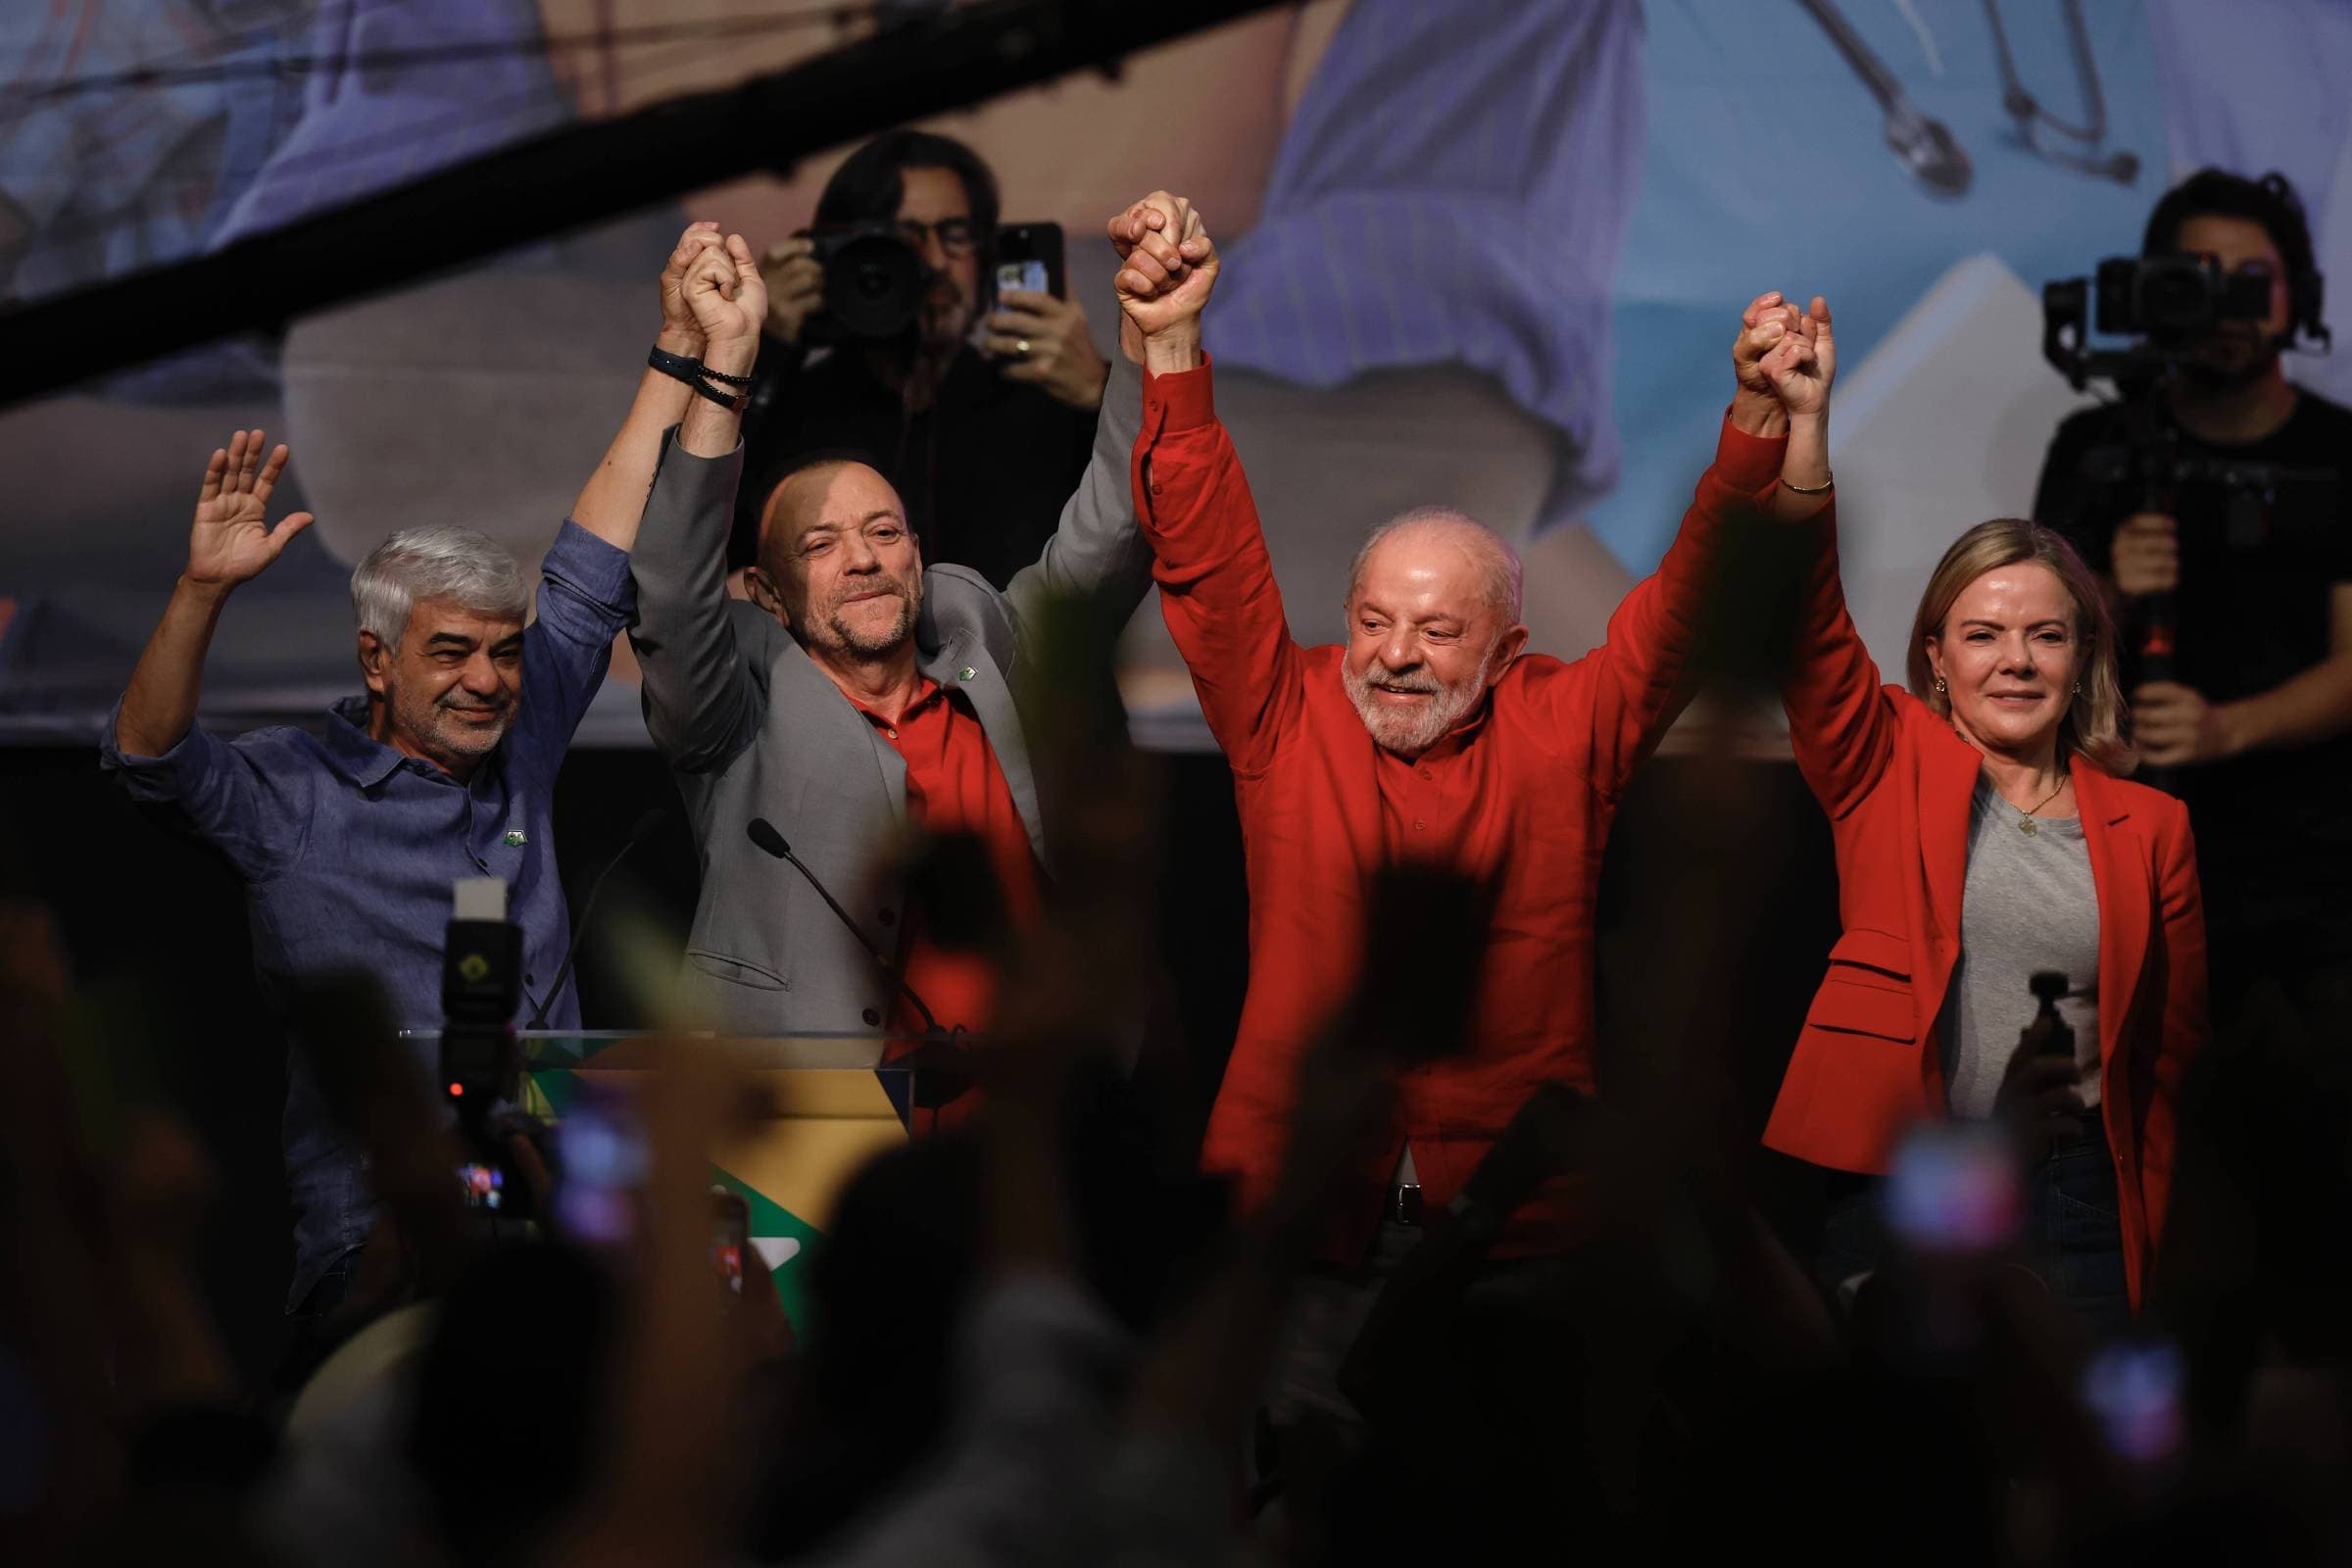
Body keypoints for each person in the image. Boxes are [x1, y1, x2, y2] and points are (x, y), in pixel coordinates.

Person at [1119, 194, 1808, 1422]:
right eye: (1374, 620)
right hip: (1296, 1231)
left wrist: (1756, 418)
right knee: (1283, 1504)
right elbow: (1208, 555)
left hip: (1518, 1237)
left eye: (1438, 630)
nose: (1395, 654)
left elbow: (1684, 611)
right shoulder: (1286, 714)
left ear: (1506, 649)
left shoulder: (1565, 728)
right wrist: (1172, 348)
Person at [98, 223, 736, 1325]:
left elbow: (592, 553)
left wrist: (677, 348)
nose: (488, 680)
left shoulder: (522, 732)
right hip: (384, 1240)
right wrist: (201, 591)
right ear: (376, 659)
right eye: (451, 652)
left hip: (560, 1224)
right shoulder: (292, 792)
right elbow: (146, 755)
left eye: (505, 651)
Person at [1759, 294, 2209, 1336]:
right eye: (1983, 634)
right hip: (1907, 1174)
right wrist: (1807, 426)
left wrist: (2171, 1247)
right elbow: (1805, 619)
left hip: (2076, 1191)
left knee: (2074, 1442)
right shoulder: (1885, 759)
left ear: (2082, 657)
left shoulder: (2153, 828)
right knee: (1903, 1433)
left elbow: (2172, 1066)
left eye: (2046, 635)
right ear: (1936, 656)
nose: (2016, 660)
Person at [625, 194, 1174, 1044]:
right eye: (820, 545)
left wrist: (1148, 341)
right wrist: (728, 365)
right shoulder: (734, 709)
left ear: (916, 556)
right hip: (813, 1102)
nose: (863, 558)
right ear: (767, 593)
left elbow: (1110, 532)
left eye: (884, 533)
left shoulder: (986, 646)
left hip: (1019, 1097)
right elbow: (668, 583)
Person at [2033, 169, 2352, 1018]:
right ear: (2158, 291)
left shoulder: (2338, 453)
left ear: (2297, 295)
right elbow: (2030, 654)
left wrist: (2226, 729)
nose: (2228, 309)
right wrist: (2110, 592)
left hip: (2311, 884)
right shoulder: (2095, 448)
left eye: (2253, 281)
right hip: (2116, 866)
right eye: (2200, 278)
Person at [739, 130, 1113, 589]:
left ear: (986, 256)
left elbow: (1156, 540)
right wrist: (763, 351)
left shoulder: (1045, 403)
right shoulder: (792, 408)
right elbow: (705, 546)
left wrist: (1103, 396)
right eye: (906, 238)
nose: (936, 262)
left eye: (956, 235)